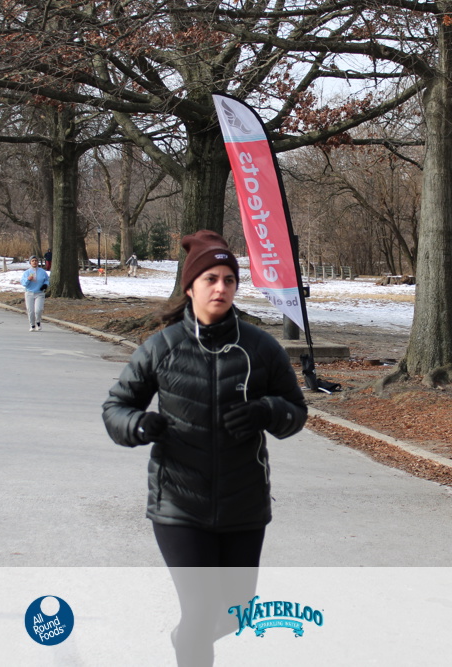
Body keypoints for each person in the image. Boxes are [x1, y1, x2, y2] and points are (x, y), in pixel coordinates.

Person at [102, 230, 307, 667]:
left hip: (243, 504)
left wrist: (266, 411)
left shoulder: (261, 348)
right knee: (199, 611)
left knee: (235, 614)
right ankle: (191, 642)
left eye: (229, 280)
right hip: (179, 503)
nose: (220, 288)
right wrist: (138, 424)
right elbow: (116, 408)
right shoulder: (162, 348)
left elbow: (296, 412)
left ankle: (185, 639)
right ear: (190, 287)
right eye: (210, 279)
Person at [20, 255, 49, 331]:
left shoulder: (42, 272)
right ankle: (32, 325)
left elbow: (47, 280)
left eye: (36, 261)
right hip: (29, 293)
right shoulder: (27, 272)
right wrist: (28, 279)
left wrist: (45, 285)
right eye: (32, 261)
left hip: (39, 293)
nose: (34, 262)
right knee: (30, 311)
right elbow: (23, 283)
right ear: (30, 262)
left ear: (38, 262)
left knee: (38, 310)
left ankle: (38, 322)